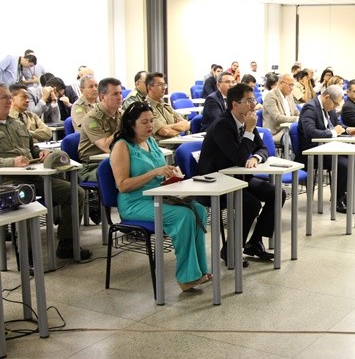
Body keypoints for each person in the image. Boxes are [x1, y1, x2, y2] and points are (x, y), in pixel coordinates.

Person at [110, 101, 210, 291]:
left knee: (198, 210)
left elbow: (159, 172)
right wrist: (154, 173)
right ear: (131, 124)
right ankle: (186, 278)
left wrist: (171, 176)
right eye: (144, 122)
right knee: (184, 216)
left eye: (151, 121)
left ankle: (199, 270)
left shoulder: (150, 142)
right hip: (135, 201)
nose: (150, 126)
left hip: (158, 195)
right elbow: (122, 186)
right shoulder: (122, 146)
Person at [0, 83, 89, 260]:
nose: (9, 101)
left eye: (10, 97)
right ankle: (26, 254)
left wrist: (40, 153)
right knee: (25, 200)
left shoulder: (17, 123)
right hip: (7, 182)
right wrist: (11, 161)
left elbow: (31, 148)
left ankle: (67, 243)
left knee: (75, 192)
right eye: (4, 97)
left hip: (32, 175)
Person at [198, 83, 283, 264]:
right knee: (250, 204)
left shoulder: (246, 121)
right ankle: (230, 251)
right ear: (235, 104)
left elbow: (263, 149)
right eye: (249, 101)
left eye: (254, 100)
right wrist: (250, 131)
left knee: (276, 193)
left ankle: (255, 242)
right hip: (217, 180)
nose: (254, 105)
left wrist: (256, 158)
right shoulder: (223, 124)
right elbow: (239, 158)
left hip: (238, 177)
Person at [296, 85, 355, 213]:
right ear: (327, 97)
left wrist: (347, 129)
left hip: (327, 148)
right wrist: (334, 133)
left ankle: (342, 194)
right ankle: (339, 200)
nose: (335, 107)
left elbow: (336, 124)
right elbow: (310, 132)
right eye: (335, 104)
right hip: (312, 152)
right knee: (344, 164)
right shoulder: (310, 107)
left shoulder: (328, 107)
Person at [78, 77, 123, 182]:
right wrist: (123, 128)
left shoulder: (120, 114)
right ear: (102, 97)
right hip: (92, 166)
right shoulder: (91, 119)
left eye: (120, 93)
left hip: (115, 159)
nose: (120, 97)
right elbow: (106, 146)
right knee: (123, 174)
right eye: (115, 94)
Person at [145, 72, 190, 140]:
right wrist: (178, 127)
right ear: (150, 87)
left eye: (164, 84)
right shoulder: (146, 108)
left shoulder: (166, 106)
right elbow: (165, 131)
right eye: (160, 85)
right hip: (164, 147)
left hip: (177, 141)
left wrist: (170, 127)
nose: (164, 88)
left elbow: (186, 124)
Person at [262, 74, 299, 144]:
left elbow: (296, 112)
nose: (292, 88)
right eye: (290, 85)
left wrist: (304, 117)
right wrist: (297, 119)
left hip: (289, 128)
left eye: (293, 85)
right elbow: (277, 117)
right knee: (296, 139)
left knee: (306, 133)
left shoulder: (289, 95)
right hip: (277, 132)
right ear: (281, 83)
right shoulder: (270, 96)